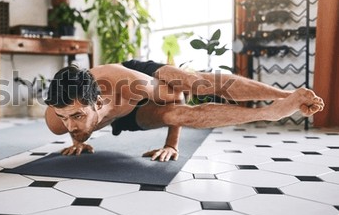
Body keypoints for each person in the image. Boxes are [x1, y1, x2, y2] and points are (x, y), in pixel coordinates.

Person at [44, 60, 324, 162]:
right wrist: (78, 138)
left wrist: (171, 144)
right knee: (66, 121)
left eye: (77, 117)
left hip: (143, 81)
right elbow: (70, 118)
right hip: (126, 116)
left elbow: (177, 96)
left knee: (190, 84)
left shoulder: (129, 84)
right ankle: (270, 112)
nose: (69, 125)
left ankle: (284, 97)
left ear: (98, 103)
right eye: (64, 117)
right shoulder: (57, 119)